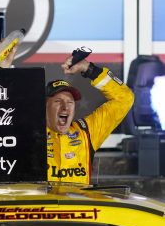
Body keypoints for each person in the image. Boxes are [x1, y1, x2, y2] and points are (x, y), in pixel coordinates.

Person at [46, 55, 134, 184]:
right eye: (58, 101)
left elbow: (124, 98)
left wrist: (89, 69)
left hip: (78, 203)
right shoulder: (29, 134)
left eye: (70, 102)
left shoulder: (87, 131)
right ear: (45, 106)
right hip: (42, 204)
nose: (65, 107)